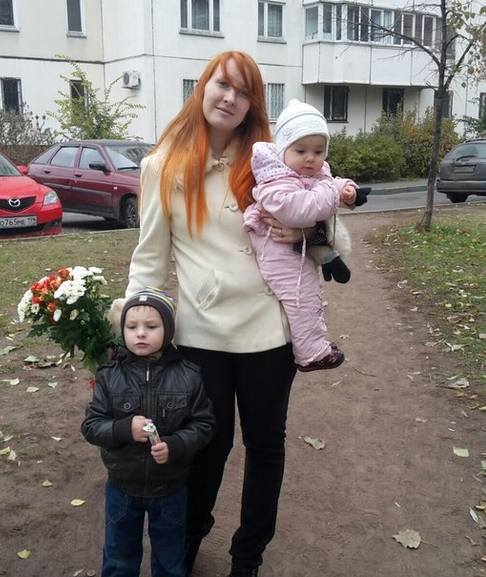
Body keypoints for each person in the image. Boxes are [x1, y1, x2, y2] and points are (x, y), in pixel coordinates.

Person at [112, 50, 316, 577]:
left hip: (270, 332)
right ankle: (188, 540)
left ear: (253, 106)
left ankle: (248, 556)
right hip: (202, 335)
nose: (230, 98)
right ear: (203, 88)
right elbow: (150, 260)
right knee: (207, 445)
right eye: (223, 85)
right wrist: (133, 330)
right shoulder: (163, 166)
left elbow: (325, 222)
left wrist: (308, 231)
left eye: (244, 92)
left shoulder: (272, 162)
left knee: (265, 445)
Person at [82, 287, 216, 577]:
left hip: (170, 488)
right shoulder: (109, 375)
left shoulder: (189, 375)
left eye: (151, 327)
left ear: (168, 331)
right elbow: (91, 426)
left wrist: (176, 445)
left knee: (170, 559)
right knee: (119, 556)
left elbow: (204, 425)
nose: (140, 333)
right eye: (132, 327)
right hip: (122, 486)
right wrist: (123, 428)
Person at [243, 99, 357, 372]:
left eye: (318, 151)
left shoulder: (303, 174)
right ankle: (311, 354)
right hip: (278, 255)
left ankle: (315, 344)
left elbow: (327, 182)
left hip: (294, 250)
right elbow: (301, 210)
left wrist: (347, 188)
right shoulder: (274, 182)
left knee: (310, 295)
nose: (311, 158)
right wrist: (333, 193)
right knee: (301, 299)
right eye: (301, 150)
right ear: (283, 151)